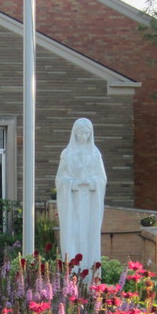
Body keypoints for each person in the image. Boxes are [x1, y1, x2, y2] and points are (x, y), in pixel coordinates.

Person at [55, 118, 106, 277]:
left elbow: (102, 179)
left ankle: (91, 274)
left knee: (89, 234)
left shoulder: (95, 154)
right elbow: (60, 179)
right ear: (74, 133)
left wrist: (91, 183)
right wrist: (73, 184)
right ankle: (73, 273)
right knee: (73, 233)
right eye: (80, 133)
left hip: (90, 202)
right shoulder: (67, 154)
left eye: (87, 133)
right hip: (73, 202)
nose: (83, 136)